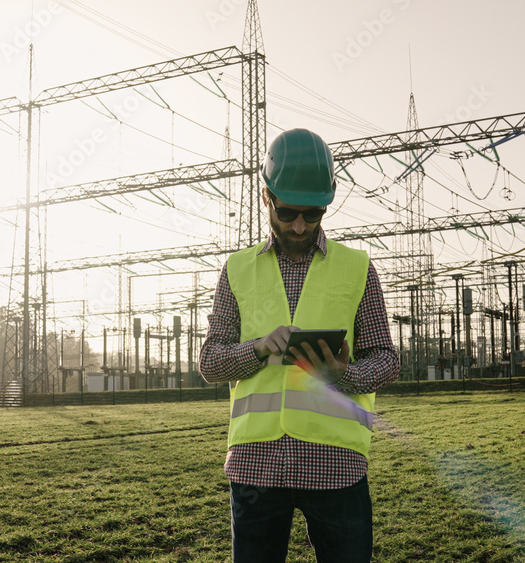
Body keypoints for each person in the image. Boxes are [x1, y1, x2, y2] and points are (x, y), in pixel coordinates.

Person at [200, 128, 400, 562]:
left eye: (312, 214)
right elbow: (210, 362)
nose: (299, 225)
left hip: (336, 466)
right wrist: (255, 350)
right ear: (266, 198)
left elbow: (387, 359)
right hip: (256, 467)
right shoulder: (236, 270)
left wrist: (344, 374)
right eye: (288, 212)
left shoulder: (358, 268)